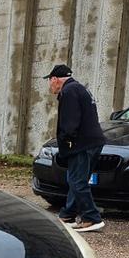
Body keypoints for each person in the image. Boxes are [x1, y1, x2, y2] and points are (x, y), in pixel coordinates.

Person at [44, 63, 106, 232]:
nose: (50, 85)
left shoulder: (69, 91)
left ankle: (91, 217)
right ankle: (67, 215)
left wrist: (67, 142)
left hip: (81, 144)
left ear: (55, 79)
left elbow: (70, 122)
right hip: (93, 142)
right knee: (78, 179)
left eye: (49, 81)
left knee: (77, 181)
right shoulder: (79, 88)